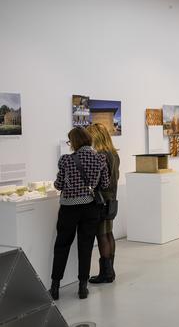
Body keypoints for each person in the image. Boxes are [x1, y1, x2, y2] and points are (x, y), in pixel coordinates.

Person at [50, 127, 110, 300]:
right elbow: (104, 183)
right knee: (85, 247)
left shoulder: (66, 160)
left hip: (68, 208)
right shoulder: (100, 158)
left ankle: (55, 286)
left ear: (74, 142)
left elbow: (58, 185)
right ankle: (82, 287)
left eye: (70, 141)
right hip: (90, 208)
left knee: (62, 245)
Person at [87, 123, 120, 284]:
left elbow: (100, 181)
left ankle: (106, 273)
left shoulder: (100, 155)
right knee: (109, 233)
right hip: (111, 198)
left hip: (101, 199)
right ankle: (110, 270)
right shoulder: (114, 154)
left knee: (102, 235)